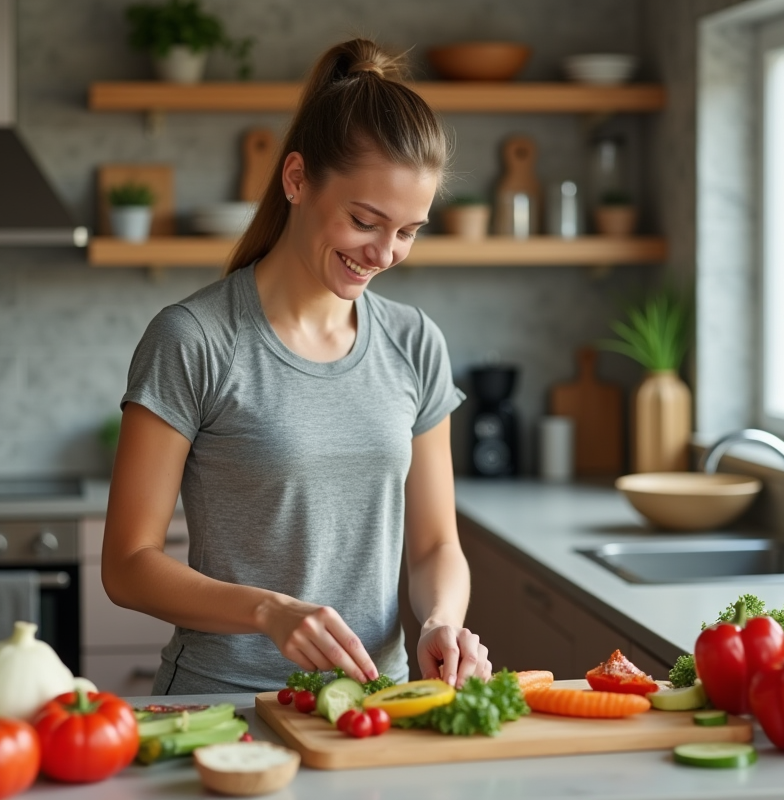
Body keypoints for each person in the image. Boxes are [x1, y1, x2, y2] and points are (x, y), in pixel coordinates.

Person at [102, 38, 492, 695]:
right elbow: (127, 565)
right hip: (227, 704)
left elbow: (433, 548)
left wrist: (441, 623)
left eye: (409, 231)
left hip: (379, 704)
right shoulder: (194, 339)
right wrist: (268, 610)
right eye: (366, 221)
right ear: (296, 180)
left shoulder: (415, 341)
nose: (385, 253)